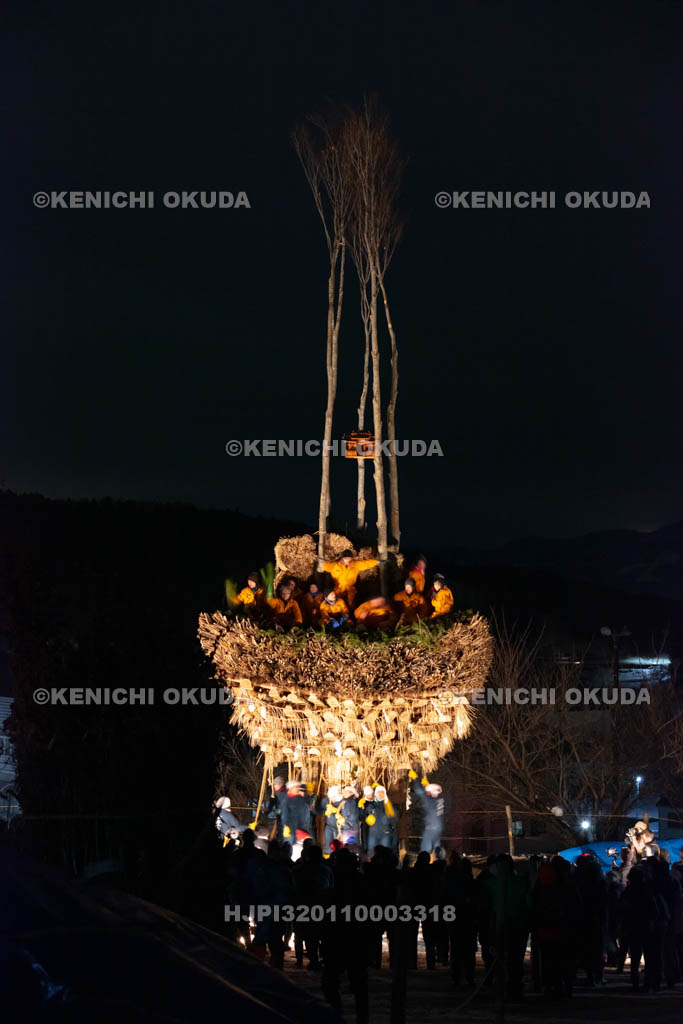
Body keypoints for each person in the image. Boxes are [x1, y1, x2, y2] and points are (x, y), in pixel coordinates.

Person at [410, 771, 444, 853]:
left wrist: (415, 779)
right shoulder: (440, 800)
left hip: (430, 829)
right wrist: (426, 785)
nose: (427, 793)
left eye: (428, 792)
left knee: (425, 849)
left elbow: (419, 791)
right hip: (438, 829)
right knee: (437, 848)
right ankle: (439, 862)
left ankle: (424, 863)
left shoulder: (429, 801)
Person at [363, 785, 397, 853]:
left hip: (385, 835)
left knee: (385, 853)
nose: (380, 794)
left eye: (382, 792)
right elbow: (363, 817)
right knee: (372, 853)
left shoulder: (388, 805)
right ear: (375, 794)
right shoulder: (370, 806)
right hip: (373, 835)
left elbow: (394, 819)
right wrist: (366, 818)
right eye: (378, 792)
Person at [320, 785, 344, 854]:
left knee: (339, 845)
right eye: (330, 797)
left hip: (340, 828)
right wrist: (325, 812)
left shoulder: (343, 801)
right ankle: (328, 857)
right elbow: (320, 810)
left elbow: (347, 813)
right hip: (329, 826)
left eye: (332, 797)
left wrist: (336, 811)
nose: (331, 799)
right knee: (328, 844)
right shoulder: (326, 800)